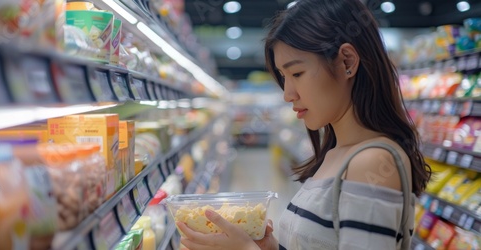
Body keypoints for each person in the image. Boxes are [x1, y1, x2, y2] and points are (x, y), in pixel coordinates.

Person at [176, 0, 431, 249]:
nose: (288, 94)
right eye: (284, 77)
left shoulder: (372, 162)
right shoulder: (334, 155)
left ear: (347, 62)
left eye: (297, 73)